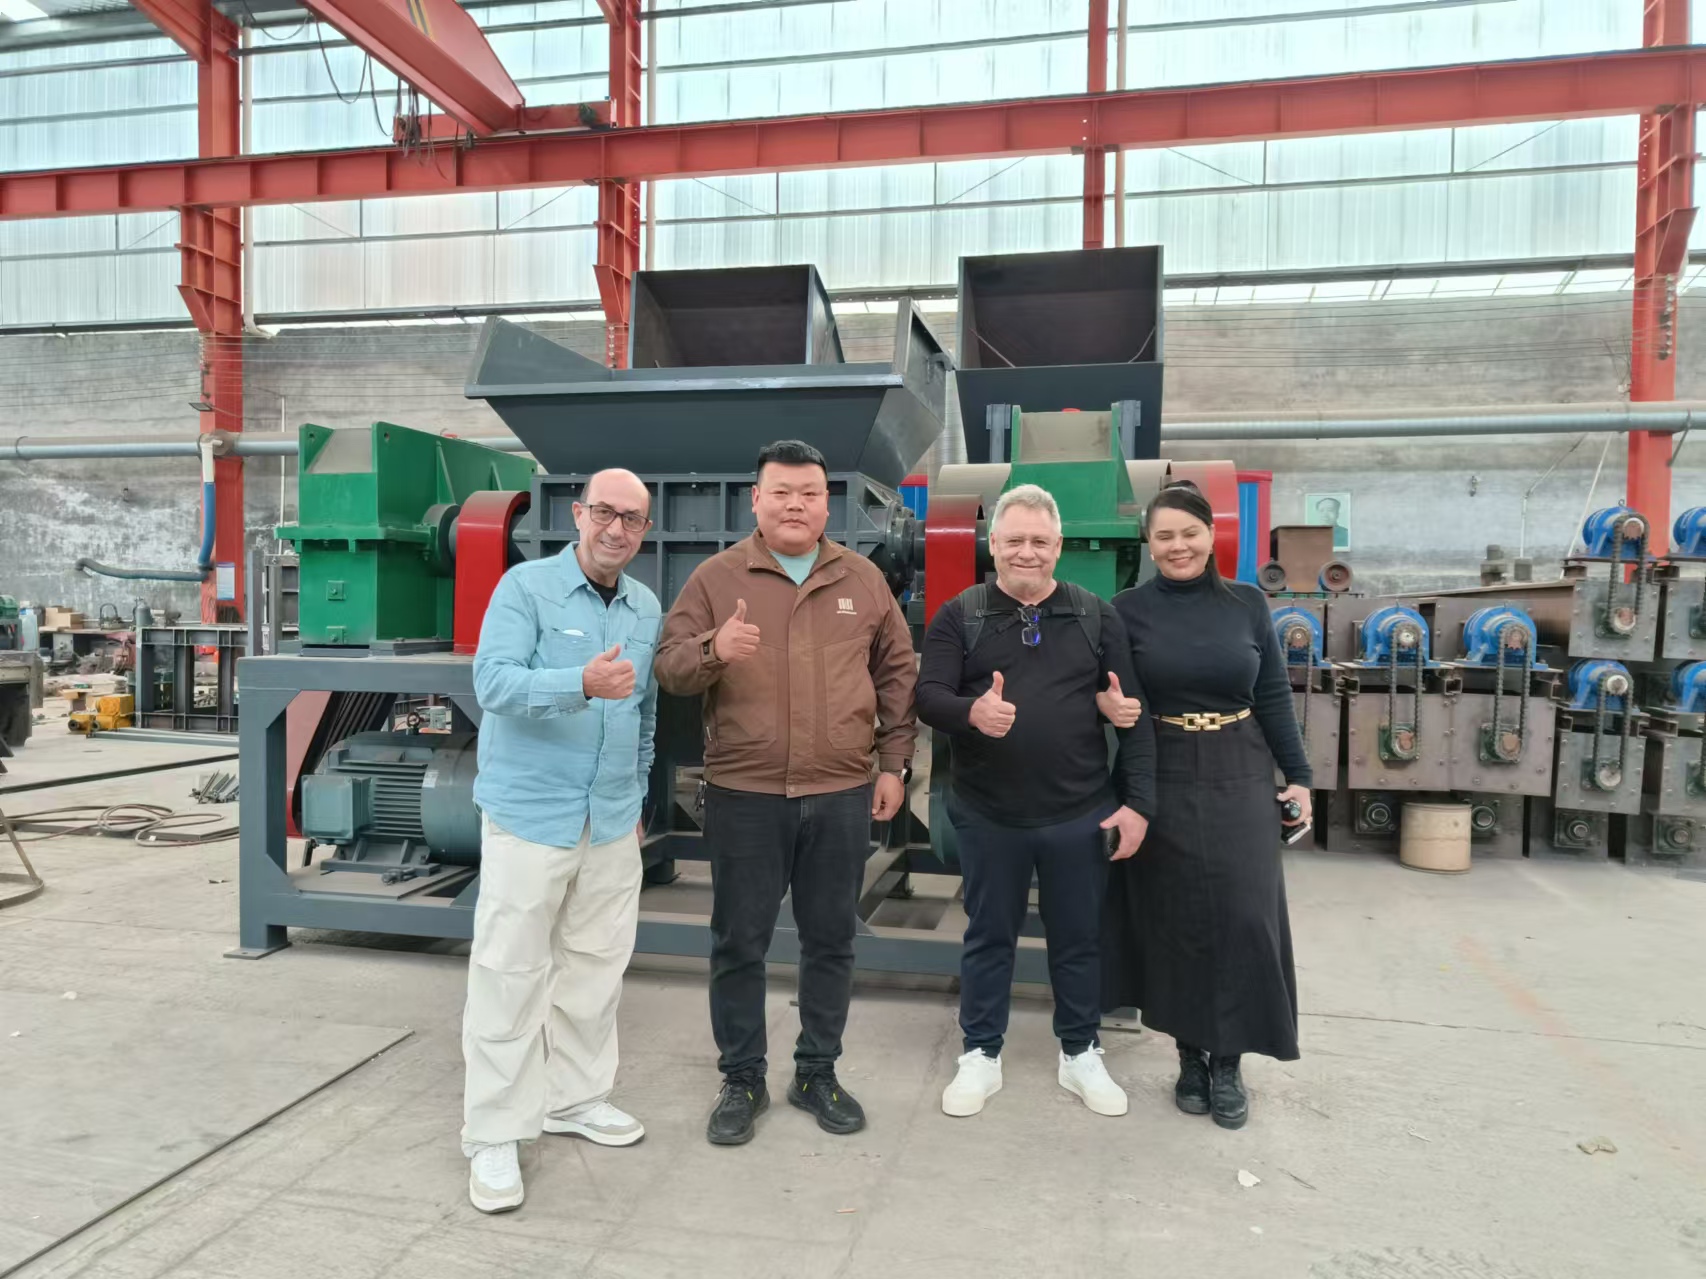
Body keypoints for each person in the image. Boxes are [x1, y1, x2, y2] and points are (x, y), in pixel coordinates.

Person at [655, 439, 917, 1146]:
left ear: (827, 504)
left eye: (809, 493)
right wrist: (714, 652)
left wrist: (893, 764)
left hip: (840, 793)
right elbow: (669, 666)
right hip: (746, 794)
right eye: (781, 492)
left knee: (831, 939)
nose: (795, 504)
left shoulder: (864, 580)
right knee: (738, 941)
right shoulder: (715, 578)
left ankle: (817, 1072)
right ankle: (742, 1077)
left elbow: (898, 674)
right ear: (756, 500)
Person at [916, 484, 1152, 1119]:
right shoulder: (960, 615)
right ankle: (980, 1053)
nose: (1027, 552)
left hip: (1080, 814)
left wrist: (1137, 803)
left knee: (1078, 938)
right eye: (1014, 540)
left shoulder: (1095, 616)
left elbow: (1133, 714)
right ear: (992, 544)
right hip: (990, 814)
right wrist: (972, 712)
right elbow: (928, 695)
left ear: (1059, 546)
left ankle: (1080, 1051)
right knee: (988, 935)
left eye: (1040, 541)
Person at [461, 468, 661, 1214]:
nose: (617, 529)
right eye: (605, 512)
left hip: (609, 820)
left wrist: (636, 793)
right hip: (530, 816)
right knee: (510, 975)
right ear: (578, 514)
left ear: (645, 531)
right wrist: (578, 682)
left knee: (595, 969)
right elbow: (492, 683)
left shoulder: (644, 606)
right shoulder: (525, 589)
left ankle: (573, 1098)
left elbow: (643, 711)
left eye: (633, 519)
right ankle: (494, 1133)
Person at [1103, 480, 1312, 1131]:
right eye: (1164, 536)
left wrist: (1300, 776)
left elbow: (1272, 693)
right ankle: (1190, 1055)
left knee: (1244, 914)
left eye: (1189, 532)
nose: (1178, 546)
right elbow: (1127, 711)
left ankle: (1229, 1060)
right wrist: (1137, 795)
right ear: (1149, 544)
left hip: (1239, 767)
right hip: (1161, 765)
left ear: (1211, 535)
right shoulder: (1126, 611)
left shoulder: (1248, 604)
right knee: (1175, 915)